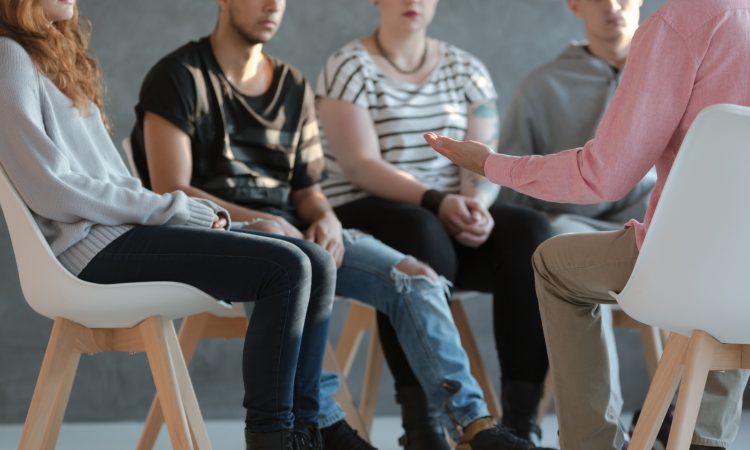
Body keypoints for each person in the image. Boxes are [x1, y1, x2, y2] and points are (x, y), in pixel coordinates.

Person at [129, 1, 542, 449]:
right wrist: (262, 219)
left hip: (291, 233)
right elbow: (173, 188)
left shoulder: (291, 84)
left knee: (416, 277)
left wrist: (323, 216)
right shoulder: (178, 76)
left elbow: (307, 189)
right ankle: (324, 425)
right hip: (218, 233)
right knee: (284, 256)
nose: (272, 6)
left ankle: (475, 426)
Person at [0, 1, 337, 450]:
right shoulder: (9, 56)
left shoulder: (54, 55)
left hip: (121, 234)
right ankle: (273, 439)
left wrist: (183, 216)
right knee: (286, 269)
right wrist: (179, 211)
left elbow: (112, 181)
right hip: (87, 248)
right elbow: (51, 189)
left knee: (315, 260)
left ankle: (305, 433)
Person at [425, 0, 750, 448]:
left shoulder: (682, 23)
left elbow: (604, 176)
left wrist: (490, 164)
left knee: (553, 265)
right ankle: (703, 440)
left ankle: (592, 444)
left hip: (684, 262)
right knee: (734, 275)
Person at [316, 0, 554, 448]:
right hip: (368, 211)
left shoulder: (466, 69)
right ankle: (423, 426)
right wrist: (437, 202)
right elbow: (360, 165)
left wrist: (477, 203)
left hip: (449, 216)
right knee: (419, 234)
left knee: (530, 233)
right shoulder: (348, 67)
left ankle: (519, 425)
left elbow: (481, 160)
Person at [497, 0, 655, 236]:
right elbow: (510, 183)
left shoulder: (677, 73)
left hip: (661, 217)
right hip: (571, 225)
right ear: (574, 5)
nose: (612, 6)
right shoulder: (542, 86)